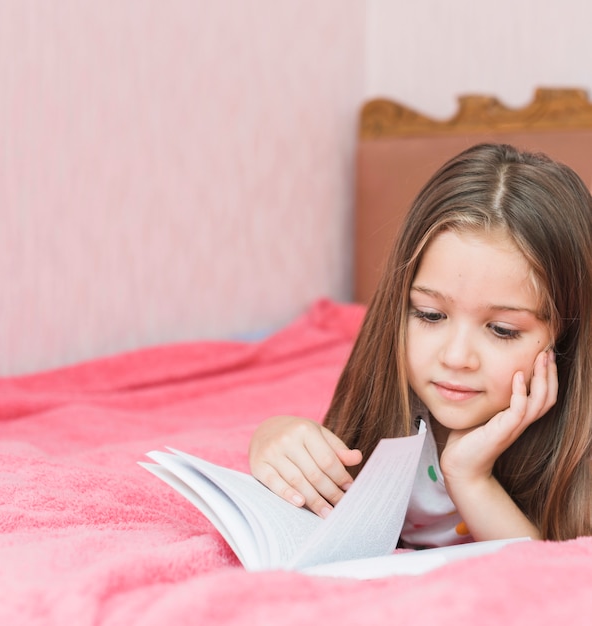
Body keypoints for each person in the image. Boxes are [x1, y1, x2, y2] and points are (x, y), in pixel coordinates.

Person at [249, 143, 592, 547]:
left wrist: (469, 476)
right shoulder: (391, 413)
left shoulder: (575, 460)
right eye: (430, 315)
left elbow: (551, 577)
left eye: (501, 329)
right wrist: (270, 437)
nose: (455, 357)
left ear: (566, 334)